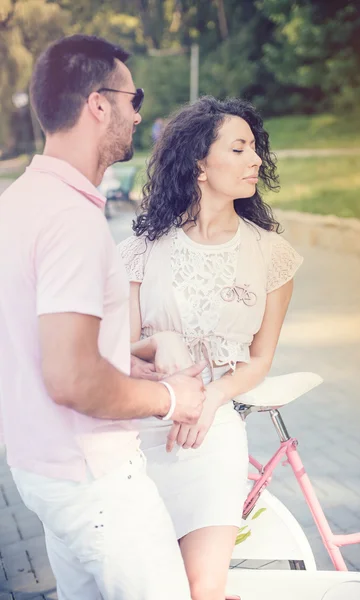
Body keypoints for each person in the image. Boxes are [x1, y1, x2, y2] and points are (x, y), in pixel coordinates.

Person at [0, 34, 206, 600]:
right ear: (98, 103)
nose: (139, 114)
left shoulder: (17, 203)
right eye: (133, 99)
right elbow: (71, 378)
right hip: (95, 481)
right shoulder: (69, 217)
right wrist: (172, 400)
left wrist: (124, 362)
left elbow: (39, 341)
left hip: (43, 473)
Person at [118, 96, 304, 600]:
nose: (256, 161)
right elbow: (118, 353)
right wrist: (163, 340)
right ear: (199, 163)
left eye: (255, 149)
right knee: (144, 587)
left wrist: (216, 398)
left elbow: (260, 359)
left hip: (212, 434)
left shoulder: (272, 255)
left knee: (202, 589)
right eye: (239, 148)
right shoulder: (141, 251)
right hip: (139, 434)